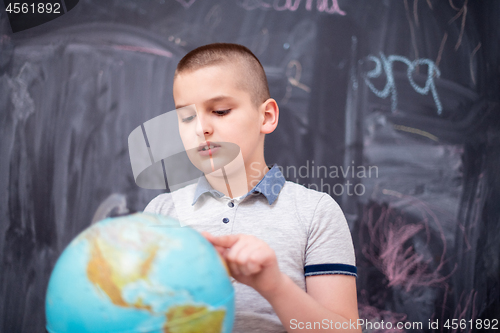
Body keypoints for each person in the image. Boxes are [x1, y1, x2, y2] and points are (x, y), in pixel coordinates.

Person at [144, 43, 360, 332]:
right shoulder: (161, 212)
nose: (201, 128)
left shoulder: (316, 213)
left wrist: (274, 286)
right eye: (186, 117)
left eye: (219, 111)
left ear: (267, 116)